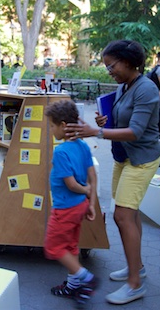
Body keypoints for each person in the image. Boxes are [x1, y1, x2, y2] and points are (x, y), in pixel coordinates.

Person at [65, 40, 160, 305]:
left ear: (129, 61)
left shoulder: (146, 88)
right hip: (124, 157)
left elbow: (136, 131)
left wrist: (95, 132)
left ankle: (134, 285)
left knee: (123, 215)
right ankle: (136, 268)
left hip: (141, 159)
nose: (109, 70)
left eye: (112, 65)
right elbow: (121, 121)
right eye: (107, 66)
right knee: (128, 214)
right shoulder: (124, 87)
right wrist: (103, 122)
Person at [43, 100, 98, 308]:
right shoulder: (82, 146)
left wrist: (85, 191)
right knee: (71, 245)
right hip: (80, 207)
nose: (51, 129)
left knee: (53, 247)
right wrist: (91, 203)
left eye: (52, 125)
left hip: (65, 209)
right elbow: (93, 177)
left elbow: (72, 184)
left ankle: (86, 278)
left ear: (63, 126)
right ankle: (74, 286)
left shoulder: (61, 151)